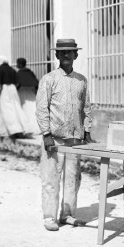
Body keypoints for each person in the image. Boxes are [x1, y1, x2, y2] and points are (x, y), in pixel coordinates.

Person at [36, 39, 95, 231]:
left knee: (73, 178)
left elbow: (86, 108)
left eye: (70, 52)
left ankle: (67, 214)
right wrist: (46, 134)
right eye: (62, 53)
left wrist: (86, 131)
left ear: (76, 55)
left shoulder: (81, 80)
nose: (66, 56)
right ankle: (49, 217)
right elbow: (42, 109)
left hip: (74, 139)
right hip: (54, 138)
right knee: (51, 178)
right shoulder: (49, 79)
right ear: (57, 56)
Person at [0, 56, 30, 139]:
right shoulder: (12, 69)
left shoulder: (0, 69)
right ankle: (14, 129)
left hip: (5, 90)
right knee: (16, 108)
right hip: (14, 90)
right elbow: (18, 83)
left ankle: (14, 129)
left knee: (6, 110)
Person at [16, 58, 41, 135]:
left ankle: (27, 128)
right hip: (32, 95)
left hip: (22, 94)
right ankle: (37, 128)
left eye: (17, 63)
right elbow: (36, 84)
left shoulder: (18, 74)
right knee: (33, 111)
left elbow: (18, 84)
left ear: (20, 64)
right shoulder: (30, 73)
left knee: (24, 111)